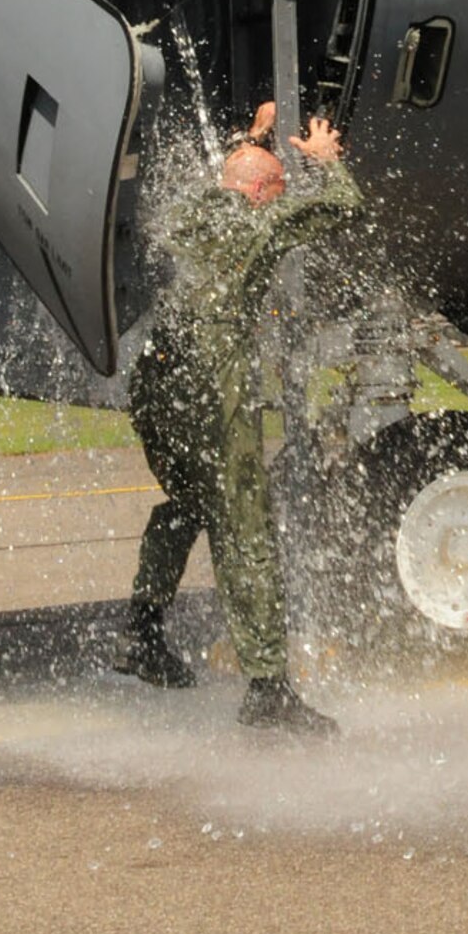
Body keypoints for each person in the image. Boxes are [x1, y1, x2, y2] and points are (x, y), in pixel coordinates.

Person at [115, 99, 363, 735]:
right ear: (260, 193)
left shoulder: (194, 211)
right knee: (245, 524)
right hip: (213, 379)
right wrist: (326, 161)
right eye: (276, 186)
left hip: (158, 376)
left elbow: (228, 175)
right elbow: (344, 207)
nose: (280, 194)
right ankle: (268, 687)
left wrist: (248, 138)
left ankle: (140, 633)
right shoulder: (258, 222)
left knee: (190, 500)